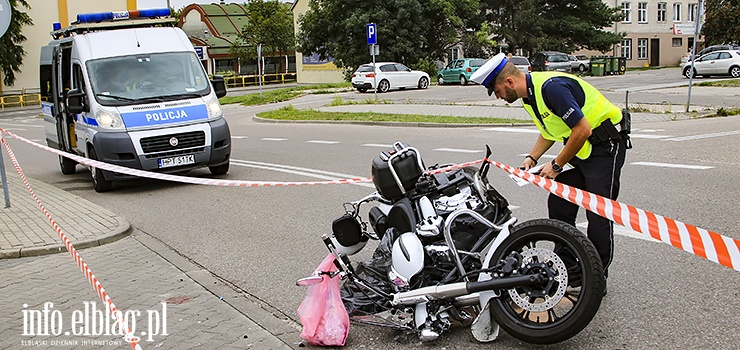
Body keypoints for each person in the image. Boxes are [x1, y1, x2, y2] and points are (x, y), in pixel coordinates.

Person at [470, 53, 630, 293]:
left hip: (605, 147)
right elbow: (549, 131)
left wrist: (555, 166)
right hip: (585, 152)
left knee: (598, 214)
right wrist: (532, 158)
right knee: (559, 201)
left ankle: (597, 279)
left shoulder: (551, 89)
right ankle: (569, 264)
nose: (499, 97)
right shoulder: (529, 98)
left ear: (510, 82)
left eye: (497, 90)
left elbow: (582, 130)